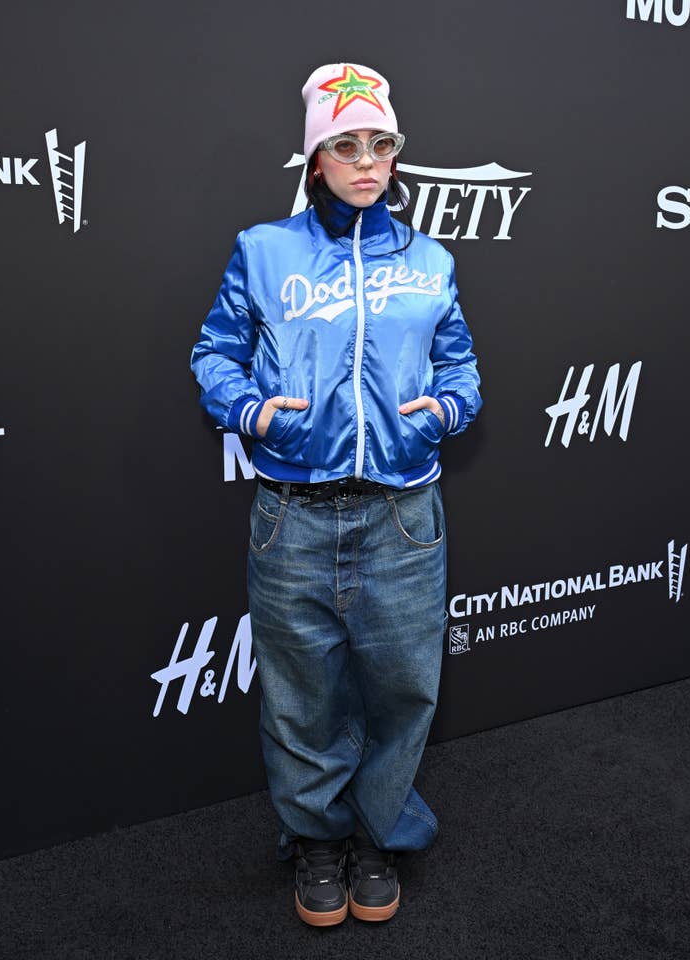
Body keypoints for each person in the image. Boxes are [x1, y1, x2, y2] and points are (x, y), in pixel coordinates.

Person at [190, 61, 482, 926]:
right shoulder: (264, 250)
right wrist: (251, 412)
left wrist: (445, 409)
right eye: (344, 146)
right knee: (298, 695)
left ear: (396, 157)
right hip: (294, 514)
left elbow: (462, 364)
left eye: (380, 145)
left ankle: (377, 834)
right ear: (315, 158)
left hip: (403, 514)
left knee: (402, 689)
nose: (365, 162)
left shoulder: (432, 260)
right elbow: (215, 354)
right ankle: (315, 838)